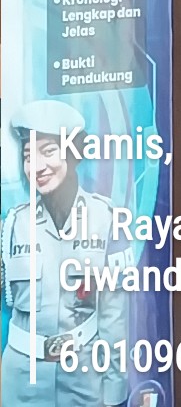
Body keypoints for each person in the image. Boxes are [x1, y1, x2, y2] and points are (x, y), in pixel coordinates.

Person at [2, 98, 131, 407]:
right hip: (21, 382)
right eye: (28, 155)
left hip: (85, 378)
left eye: (48, 151)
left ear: (73, 154)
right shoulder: (12, 225)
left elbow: (114, 315)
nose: (37, 167)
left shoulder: (106, 219)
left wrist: (114, 392)